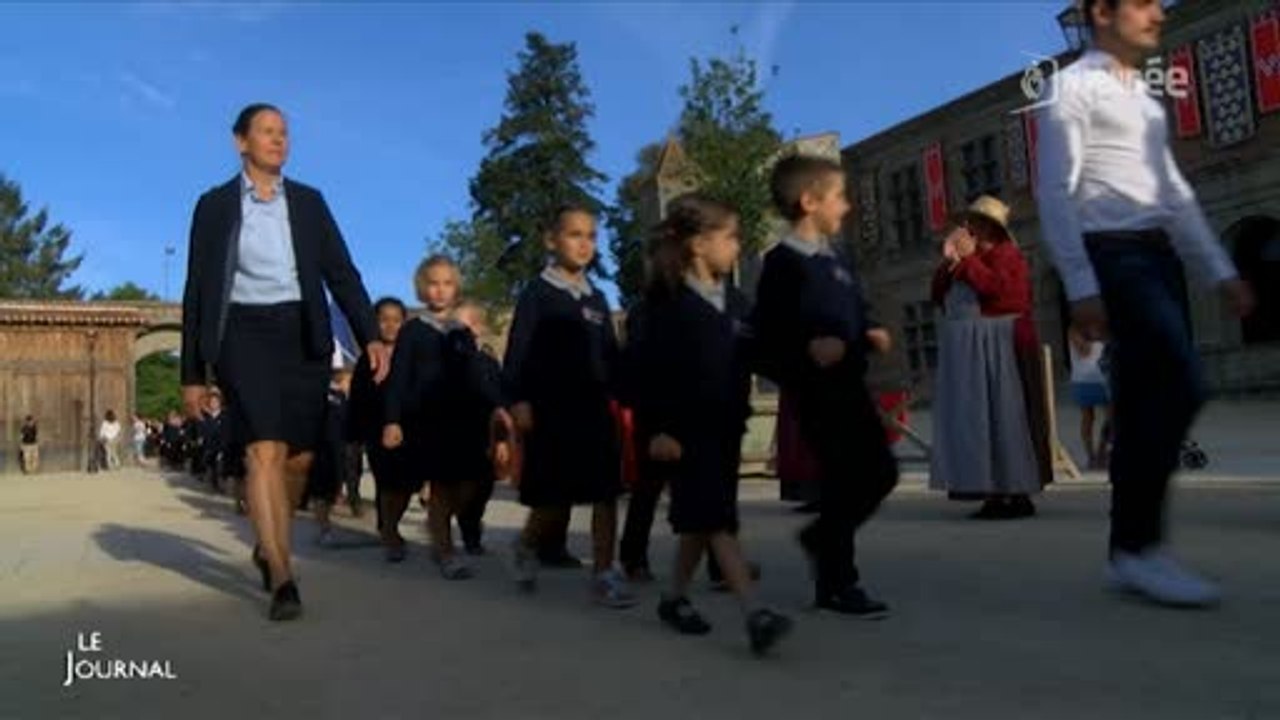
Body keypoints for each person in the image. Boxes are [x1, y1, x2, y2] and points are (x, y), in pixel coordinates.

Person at [1035, 0, 1254, 607]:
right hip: (1115, 255)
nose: (1158, 13)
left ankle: (1128, 552)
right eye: (1143, 3)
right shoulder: (1071, 88)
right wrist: (1080, 284)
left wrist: (1219, 269)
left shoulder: (1145, 100)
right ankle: (1139, 549)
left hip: (1157, 257)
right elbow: (1054, 190)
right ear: (1102, 13)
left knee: (1136, 408)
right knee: (1183, 384)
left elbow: (1175, 193)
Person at [180, 102, 389, 622]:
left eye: (285, 133)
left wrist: (371, 336)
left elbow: (342, 273)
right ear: (241, 142)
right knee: (264, 450)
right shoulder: (214, 205)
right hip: (241, 333)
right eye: (267, 132)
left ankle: (268, 538)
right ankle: (281, 572)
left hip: (302, 332)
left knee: (298, 457)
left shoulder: (310, 203)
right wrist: (192, 373)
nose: (279, 140)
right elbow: (197, 291)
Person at [632, 192, 792, 654]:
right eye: (730, 237)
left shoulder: (738, 302)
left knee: (701, 521)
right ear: (699, 244)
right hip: (681, 433)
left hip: (726, 427)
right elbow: (648, 371)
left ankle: (673, 598)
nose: (737, 246)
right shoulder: (665, 305)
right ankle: (755, 613)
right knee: (717, 520)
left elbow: (763, 352)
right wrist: (659, 427)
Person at [751, 154, 898, 618]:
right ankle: (838, 581)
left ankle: (822, 543)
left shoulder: (839, 257)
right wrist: (807, 351)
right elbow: (765, 336)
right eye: (838, 196)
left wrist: (869, 329)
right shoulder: (782, 264)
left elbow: (856, 305)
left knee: (880, 473)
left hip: (851, 382)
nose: (847, 206)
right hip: (816, 392)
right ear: (809, 201)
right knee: (844, 479)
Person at [502, 205, 636, 607]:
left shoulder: (597, 297)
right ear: (551, 240)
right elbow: (517, 354)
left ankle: (604, 573)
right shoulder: (537, 294)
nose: (584, 244)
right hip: (550, 410)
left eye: (591, 236)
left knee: (605, 492)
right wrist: (519, 400)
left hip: (594, 410)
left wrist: (628, 391)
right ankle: (526, 545)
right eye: (574, 234)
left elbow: (610, 356)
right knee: (552, 495)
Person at [928, 197, 1049, 519]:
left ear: (991, 228)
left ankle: (1015, 491)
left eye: (976, 223)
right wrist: (950, 263)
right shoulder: (969, 258)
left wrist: (968, 262)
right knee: (981, 421)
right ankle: (994, 491)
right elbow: (939, 296)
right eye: (968, 223)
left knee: (1006, 420)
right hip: (973, 351)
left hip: (1001, 348)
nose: (969, 229)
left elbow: (1002, 294)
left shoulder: (1007, 255)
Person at [383, 256, 477, 579]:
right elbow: (397, 378)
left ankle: (437, 530)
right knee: (433, 486)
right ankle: (443, 550)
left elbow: (475, 378)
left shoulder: (462, 332)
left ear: (456, 288)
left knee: (464, 487)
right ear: (423, 288)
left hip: (459, 421)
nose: (440, 290)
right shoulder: (413, 331)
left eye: (447, 283)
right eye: (433, 283)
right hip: (423, 421)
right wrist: (392, 420)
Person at [348, 297, 411, 561]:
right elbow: (358, 398)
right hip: (376, 429)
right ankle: (389, 533)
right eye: (384, 319)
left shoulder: (412, 353)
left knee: (407, 483)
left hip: (409, 428)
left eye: (396, 320)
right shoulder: (369, 358)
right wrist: (356, 433)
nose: (390, 325)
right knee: (386, 481)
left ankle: (391, 523)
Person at [452, 301, 503, 556]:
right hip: (454, 433)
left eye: (469, 325)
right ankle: (465, 528)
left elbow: (499, 400)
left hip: (484, 434)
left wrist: (502, 439)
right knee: (462, 484)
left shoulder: (488, 364)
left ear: (480, 329)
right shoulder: (446, 359)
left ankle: (471, 524)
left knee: (483, 486)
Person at [1069, 326, 1112, 469]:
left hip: (1105, 377)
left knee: (1111, 418)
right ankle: (1091, 456)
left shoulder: (1102, 323)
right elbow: (1084, 350)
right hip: (1083, 379)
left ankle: (1101, 452)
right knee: (1088, 417)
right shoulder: (1074, 329)